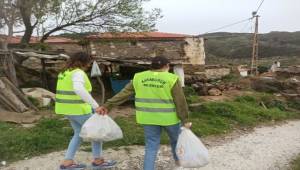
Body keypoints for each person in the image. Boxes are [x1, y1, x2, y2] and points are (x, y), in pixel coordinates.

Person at [98, 56, 192, 170]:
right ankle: (179, 163)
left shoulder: (139, 77)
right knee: (176, 142)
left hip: (147, 118)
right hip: (169, 119)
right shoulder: (171, 78)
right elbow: (180, 101)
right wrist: (185, 119)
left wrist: (107, 105)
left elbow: (123, 94)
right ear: (167, 66)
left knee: (151, 147)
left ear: (151, 66)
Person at [55, 52, 116, 170]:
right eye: (89, 62)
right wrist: (95, 106)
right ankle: (98, 161)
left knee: (78, 134)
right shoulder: (78, 73)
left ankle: (67, 162)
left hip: (67, 110)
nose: (89, 64)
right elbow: (78, 89)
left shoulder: (64, 72)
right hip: (79, 110)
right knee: (96, 134)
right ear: (84, 62)